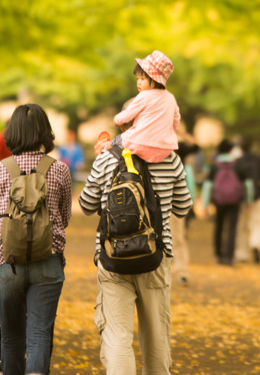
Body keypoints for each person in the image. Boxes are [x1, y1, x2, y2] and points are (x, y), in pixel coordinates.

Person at [79, 123, 192, 373]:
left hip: (112, 258)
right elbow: (183, 208)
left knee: (117, 336)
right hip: (156, 257)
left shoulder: (106, 158)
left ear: (122, 125)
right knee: (156, 338)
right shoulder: (171, 158)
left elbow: (86, 205)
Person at [0, 104, 72, 375]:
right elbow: (65, 217)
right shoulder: (59, 170)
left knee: (10, 338)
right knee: (39, 336)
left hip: (7, 263)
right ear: (45, 132)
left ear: (13, 133)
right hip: (48, 261)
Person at [104, 50, 181, 165]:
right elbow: (176, 120)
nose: (138, 83)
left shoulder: (144, 96)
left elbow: (128, 114)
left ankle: (103, 148)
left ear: (154, 80)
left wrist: (116, 119)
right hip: (165, 148)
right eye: (137, 79)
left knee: (112, 145)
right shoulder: (170, 97)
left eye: (142, 79)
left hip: (140, 144)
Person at [200, 138, 253, 266]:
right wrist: (248, 200)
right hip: (235, 200)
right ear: (230, 150)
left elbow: (207, 186)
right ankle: (229, 256)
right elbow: (248, 184)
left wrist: (205, 204)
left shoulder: (214, 166)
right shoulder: (238, 164)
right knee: (232, 227)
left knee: (219, 226)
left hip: (219, 201)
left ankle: (219, 254)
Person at [234, 136, 260, 264]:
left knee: (242, 226)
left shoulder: (237, 161)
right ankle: (256, 245)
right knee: (257, 224)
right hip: (257, 197)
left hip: (241, 198)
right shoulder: (259, 160)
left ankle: (241, 253)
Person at [171, 139, 200, 285]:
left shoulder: (163, 163)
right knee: (179, 239)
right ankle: (182, 272)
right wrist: (191, 205)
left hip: (161, 206)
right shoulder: (184, 168)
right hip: (178, 207)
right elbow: (191, 189)